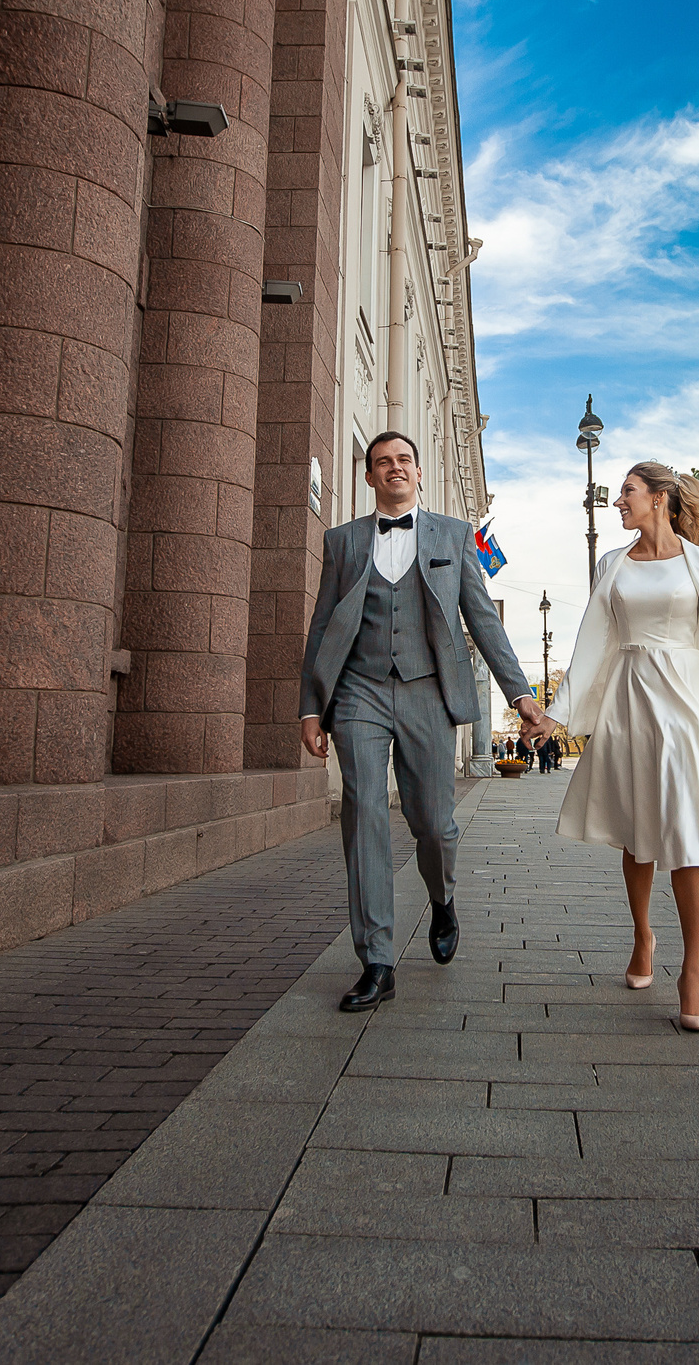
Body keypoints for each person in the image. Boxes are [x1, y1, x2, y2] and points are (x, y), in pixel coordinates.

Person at [300, 431, 542, 1012]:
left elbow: (483, 622)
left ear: (417, 472)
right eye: (382, 462)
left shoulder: (455, 537)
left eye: (403, 460)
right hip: (358, 690)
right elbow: (323, 624)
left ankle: (442, 897)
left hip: (429, 691)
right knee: (363, 814)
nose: (394, 468)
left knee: (433, 821)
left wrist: (521, 694)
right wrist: (312, 705)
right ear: (369, 477)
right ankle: (376, 960)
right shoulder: (342, 541)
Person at [551, 461, 699, 1032]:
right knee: (638, 827)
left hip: (689, 704)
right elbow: (593, 640)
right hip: (629, 699)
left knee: (688, 830)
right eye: (618, 495)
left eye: (628, 494)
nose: (618, 503)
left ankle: (693, 970)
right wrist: (559, 713)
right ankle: (643, 934)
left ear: (660, 499)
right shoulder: (612, 564)